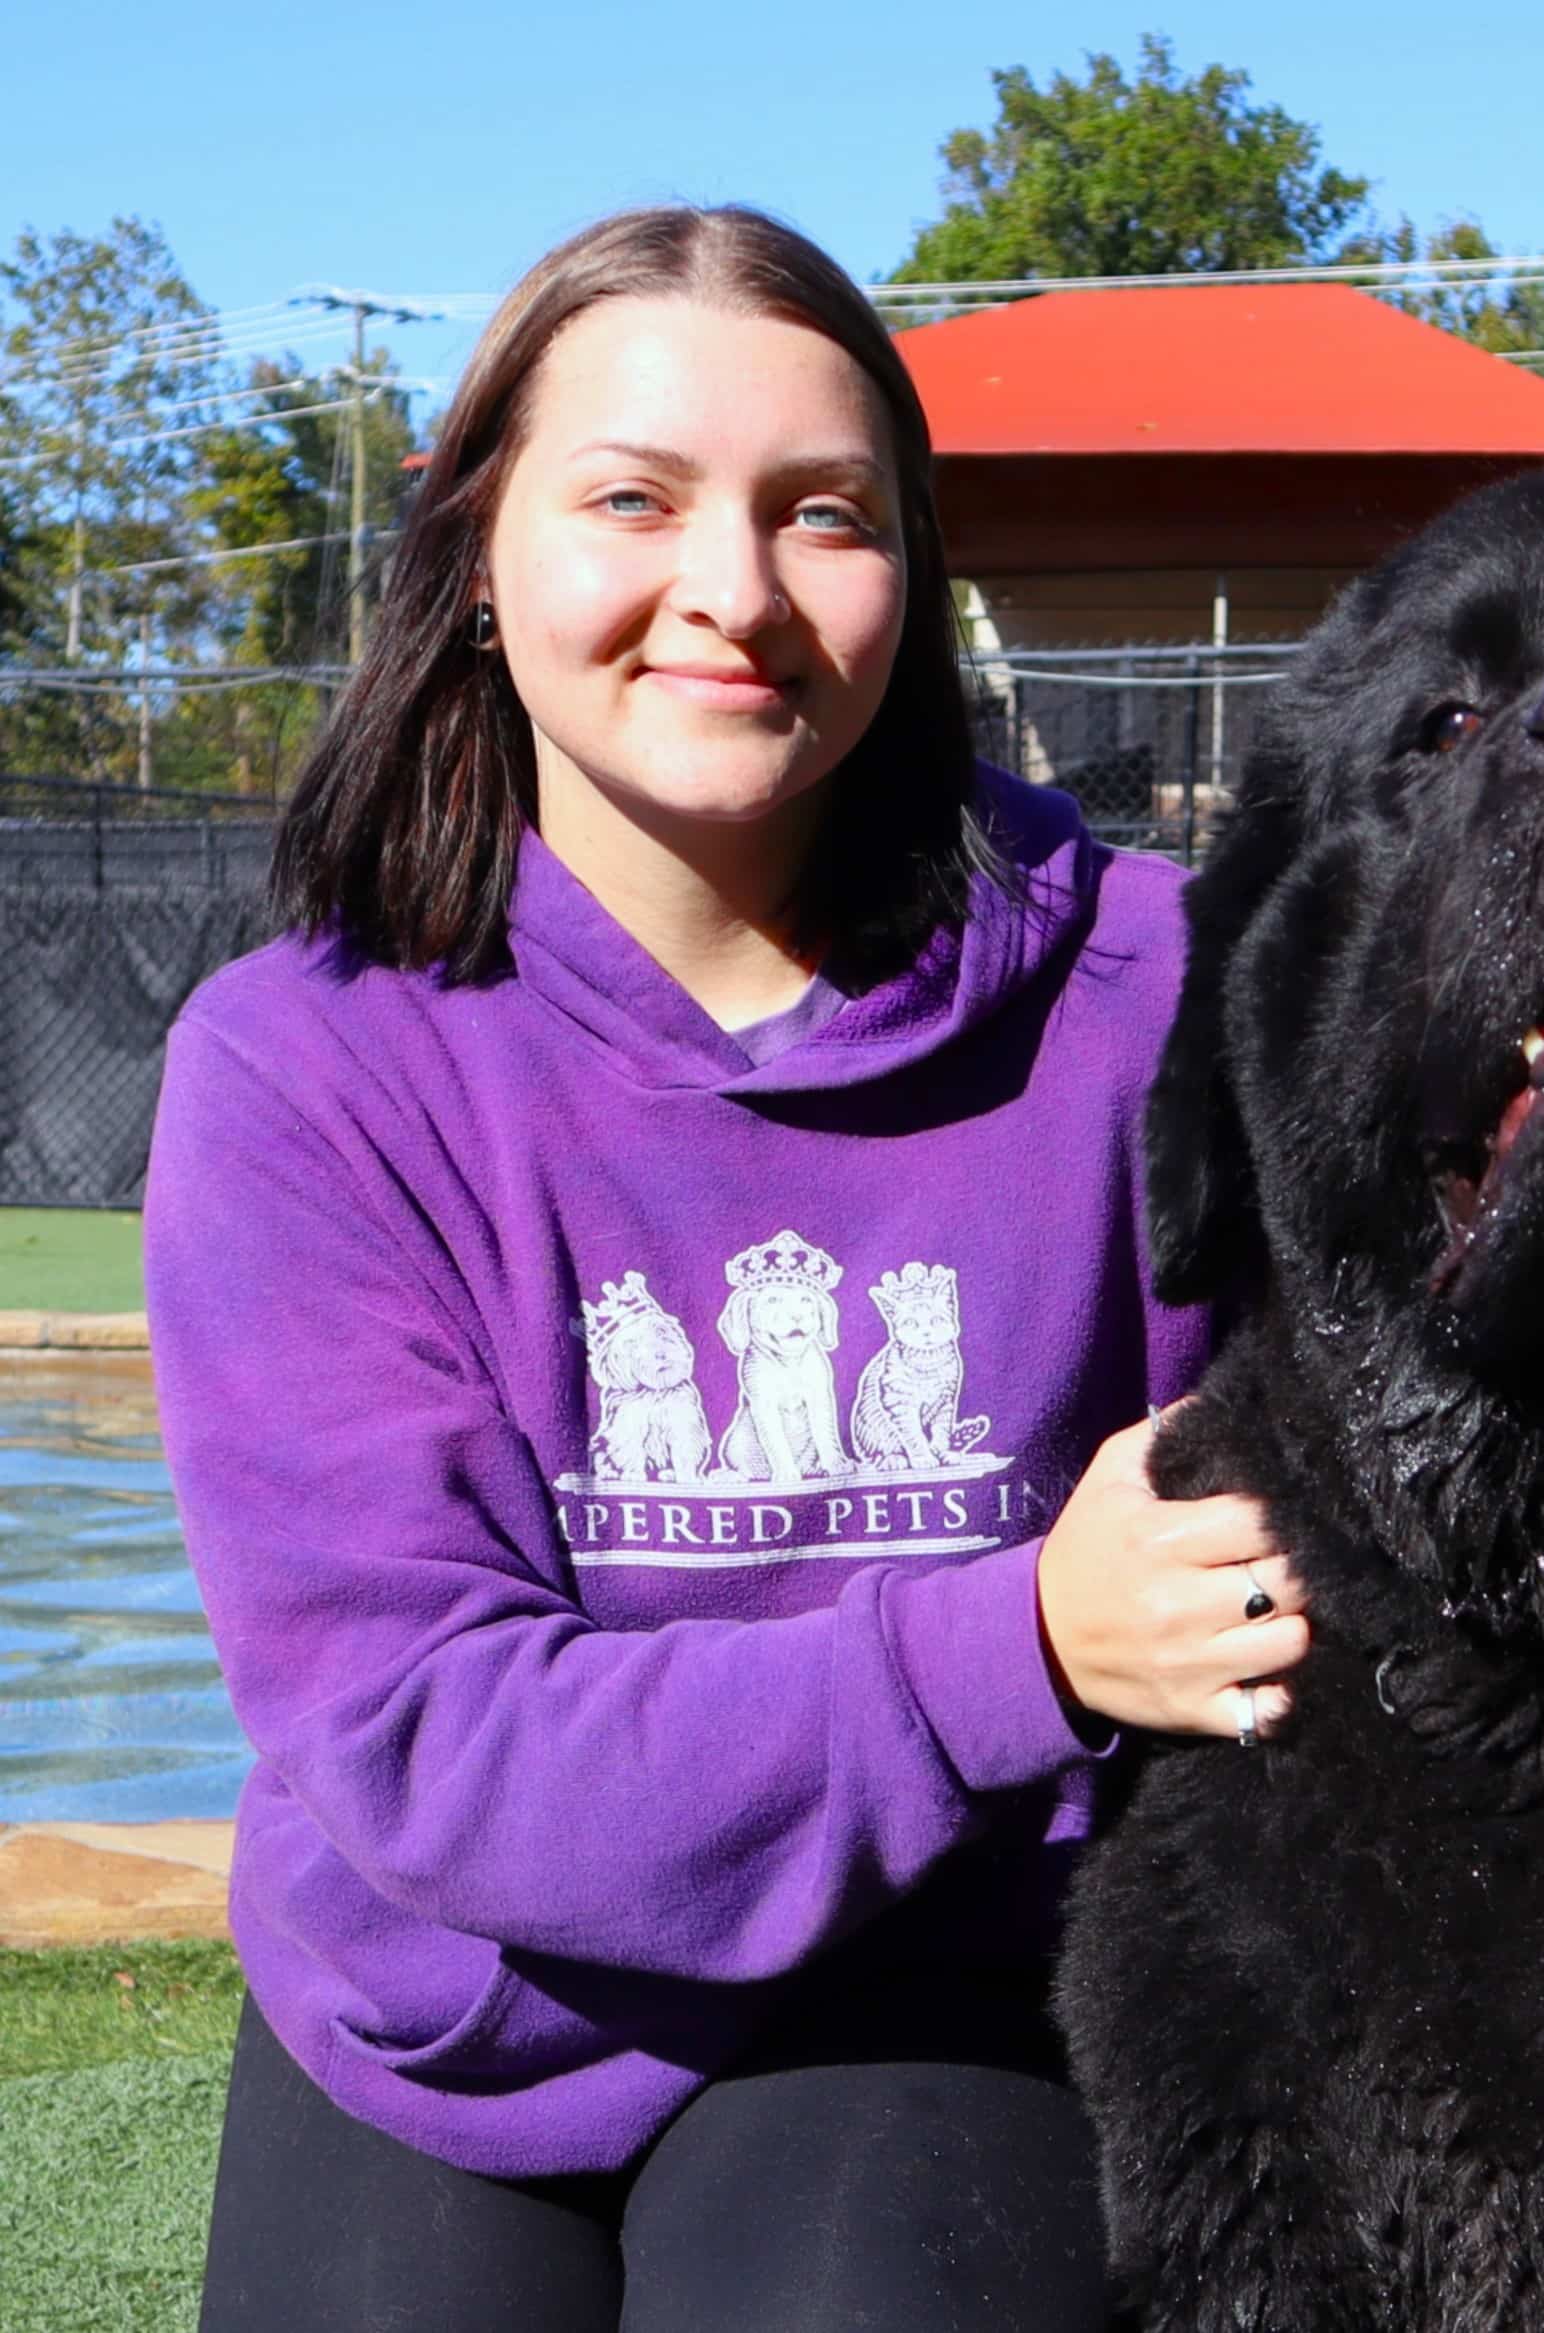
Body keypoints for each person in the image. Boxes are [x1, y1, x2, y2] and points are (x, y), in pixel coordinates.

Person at [145, 204, 1305, 2333]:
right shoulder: (301, 1064)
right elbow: (426, 1742)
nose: (734, 592)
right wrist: (1018, 1648)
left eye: (824, 515)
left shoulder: (1165, 987)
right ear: (474, 552)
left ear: (913, 575)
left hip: (953, 1978)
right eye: (632, 499)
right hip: (459, 2003)